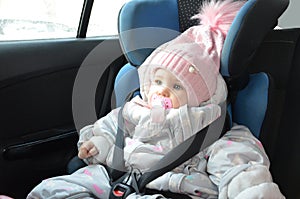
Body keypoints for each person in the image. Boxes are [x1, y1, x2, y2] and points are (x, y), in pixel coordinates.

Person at [27, 0, 285, 198]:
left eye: (177, 86)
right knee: (54, 188)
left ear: (200, 96)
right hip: (115, 179)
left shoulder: (217, 132)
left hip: (172, 187)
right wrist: (97, 143)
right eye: (158, 82)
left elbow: (242, 172)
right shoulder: (132, 111)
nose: (162, 91)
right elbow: (107, 130)